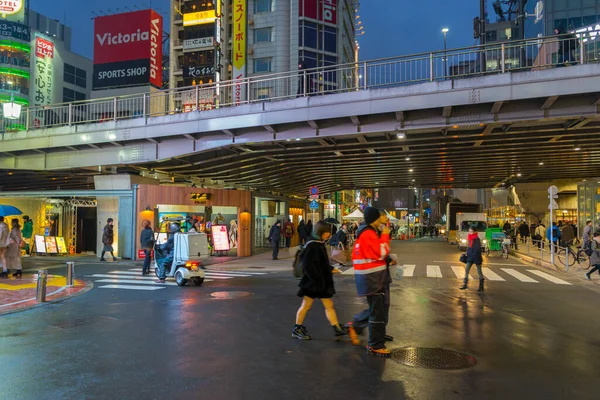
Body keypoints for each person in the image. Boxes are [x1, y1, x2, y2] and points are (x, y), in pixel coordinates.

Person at [347, 207, 394, 357]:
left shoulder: (367, 233)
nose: (384, 220)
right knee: (376, 313)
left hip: (371, 278)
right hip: (373, 279)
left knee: (378, 310)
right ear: (375, 219)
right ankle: (375, 345)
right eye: (381, 217)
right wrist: (385, 236)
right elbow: (381, 252)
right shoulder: (368, 233)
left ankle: (377, 339)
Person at [292, 221, 347, 340]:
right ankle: (297, 328)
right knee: (306, 305)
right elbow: (308, 265)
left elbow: (321, 263)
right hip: (313, 283)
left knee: (328, 305)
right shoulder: (312, 245)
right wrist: (318, 278)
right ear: (320, 232)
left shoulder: (318, 243)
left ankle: (336, 327)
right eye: (327, 232)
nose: (329, 234)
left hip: (319, 282)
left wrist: (331, 269)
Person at [460, 226, 485, 292]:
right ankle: (465, 284)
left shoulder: (476, 239)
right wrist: (466, 253)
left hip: (476, 257)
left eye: (471, 231)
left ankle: (481, 286)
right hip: (470, 257)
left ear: (474, 232)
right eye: (469, 231)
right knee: (466, 269)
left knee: (479, 271)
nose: (470, 232)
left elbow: (477, 249)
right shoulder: (470, 238)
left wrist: (471, 254)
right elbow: (469, 248)